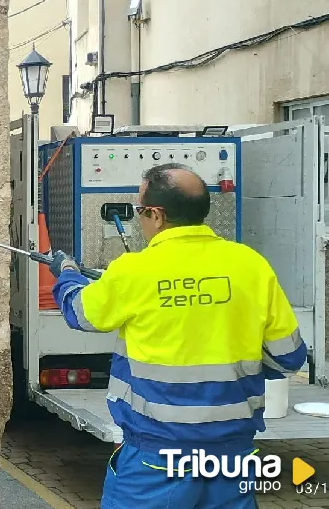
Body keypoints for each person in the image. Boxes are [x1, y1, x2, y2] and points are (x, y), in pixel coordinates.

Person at [47, 163, 308, 509]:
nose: (140, 219)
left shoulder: (134, 270)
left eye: (140, 211)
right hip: (231, 457)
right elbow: (289, 358)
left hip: (156, 459)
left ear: (156, 214)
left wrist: (66, 273)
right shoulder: (251, 265)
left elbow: (79, 313)